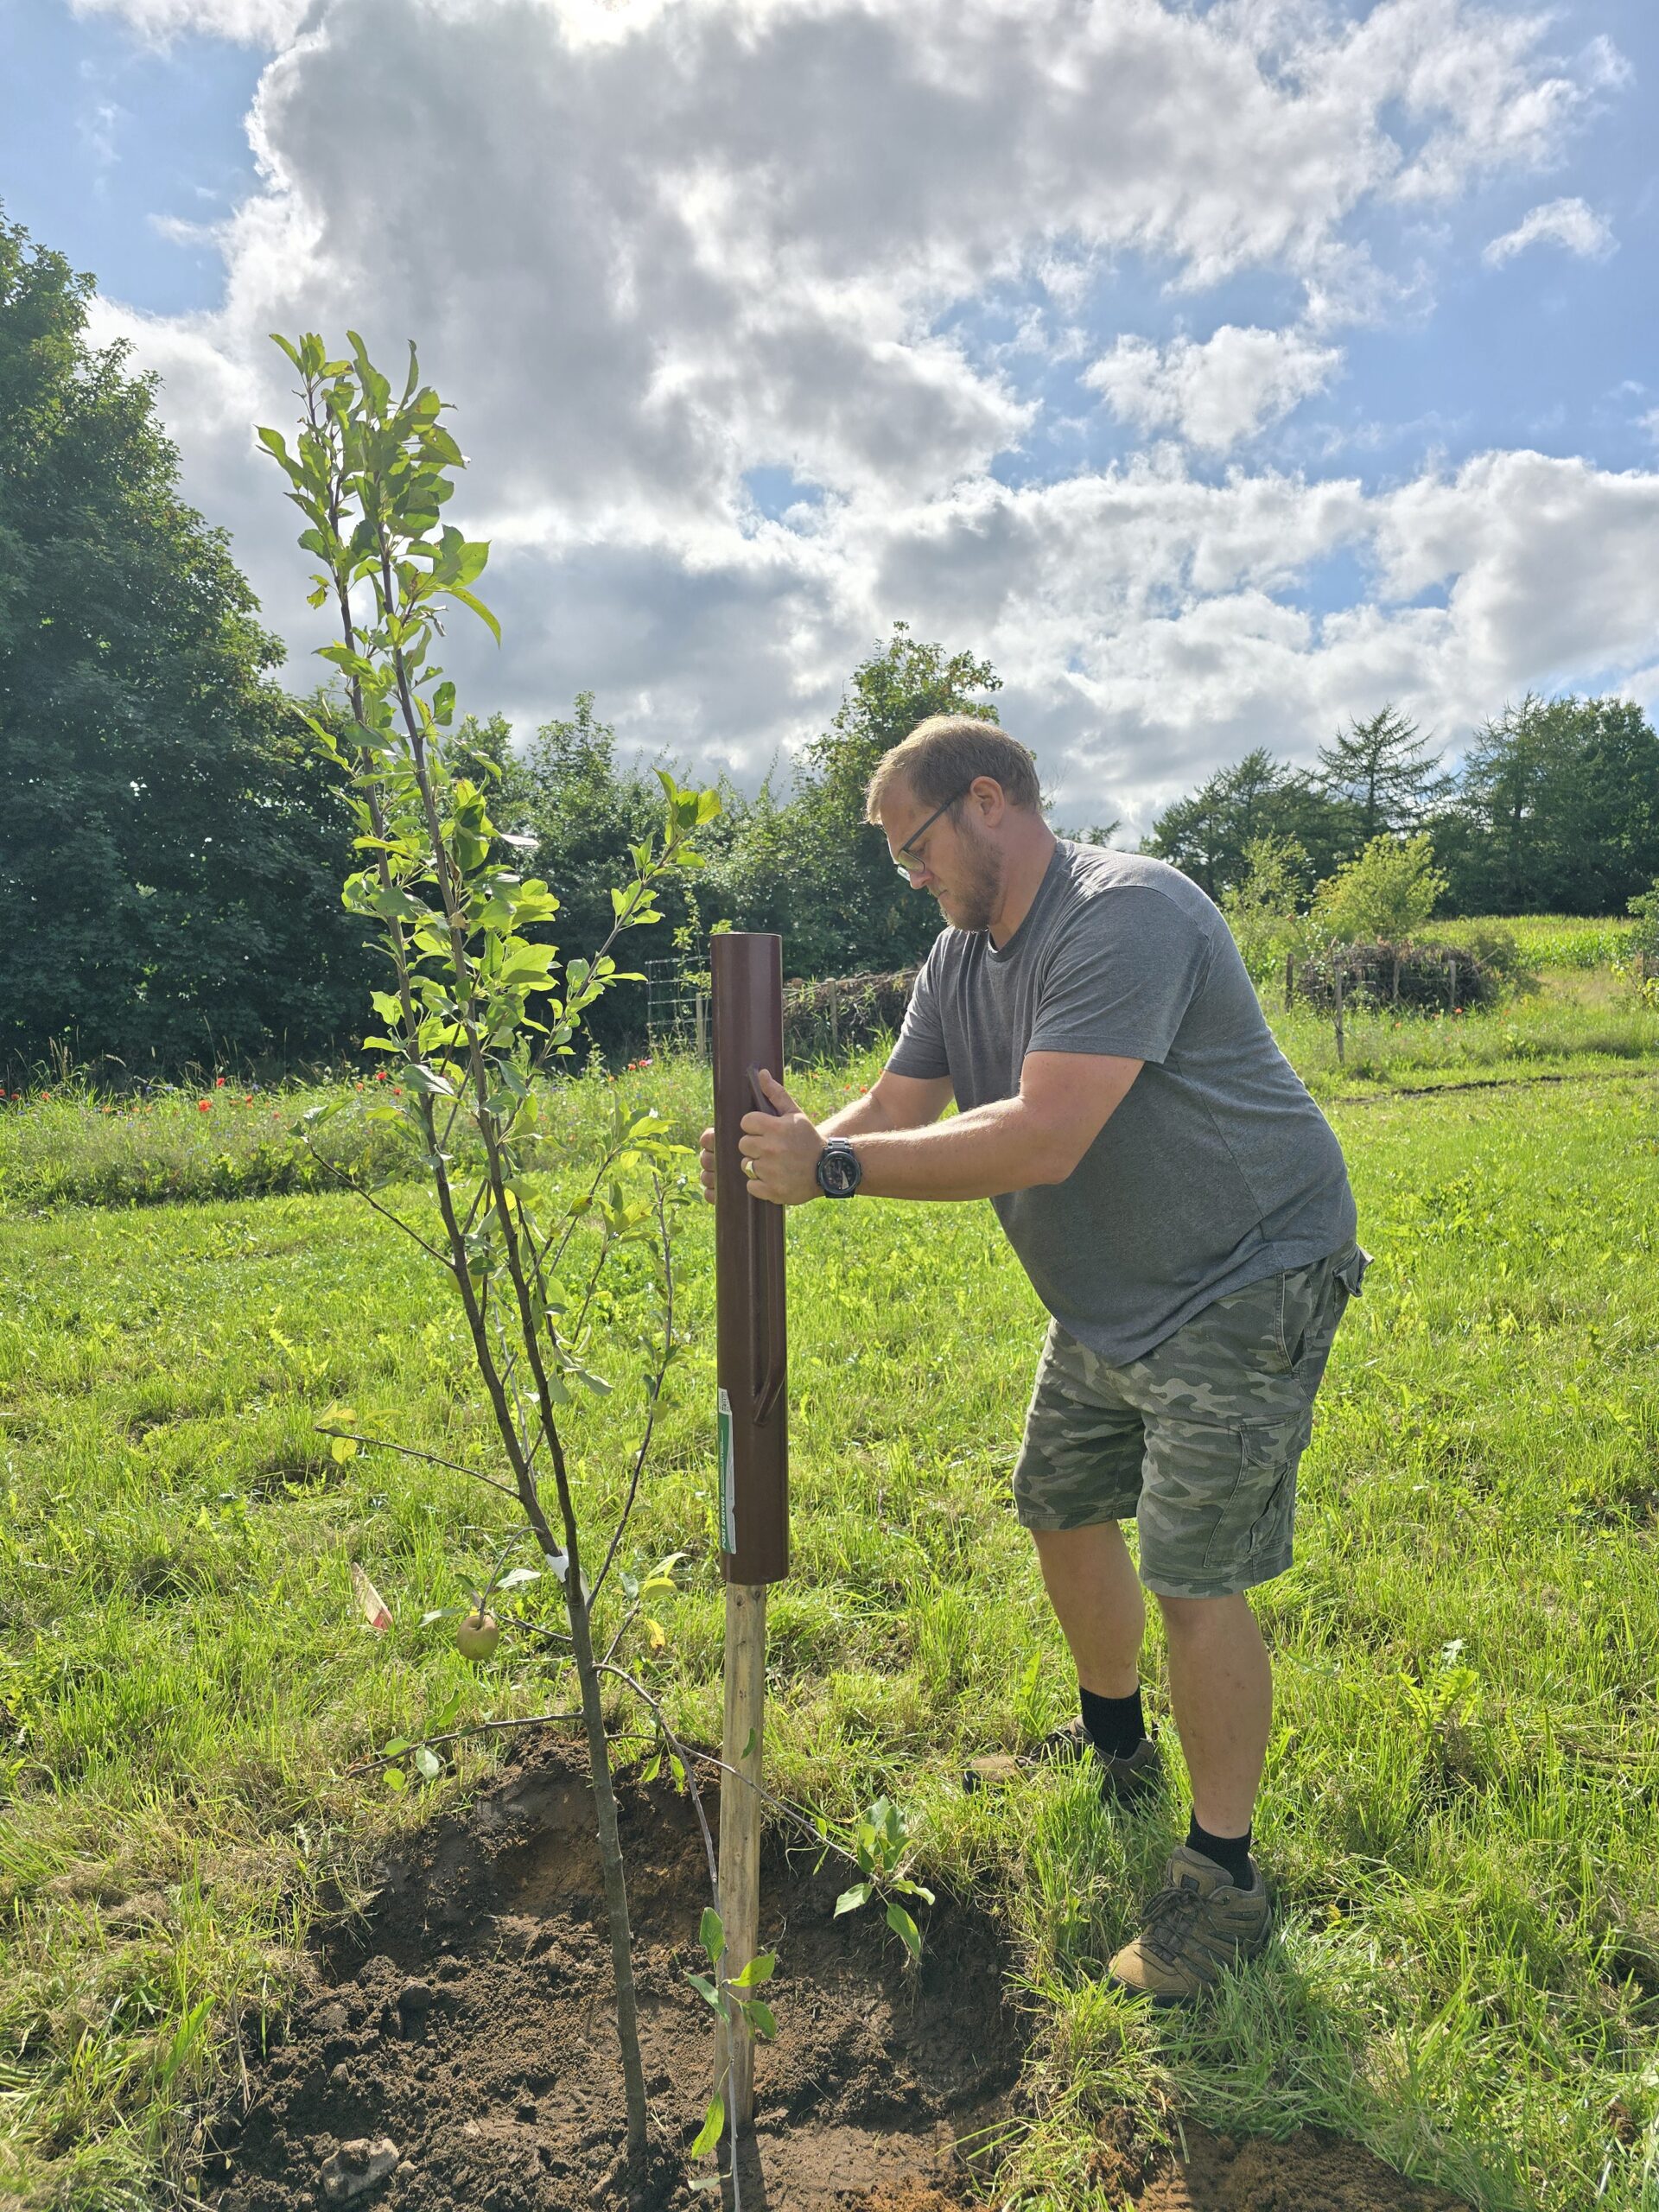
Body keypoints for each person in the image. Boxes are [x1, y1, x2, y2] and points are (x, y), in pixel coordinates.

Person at [698, 715, 1366, 2005]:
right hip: (1111, 1299)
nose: (913, 880)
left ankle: (1222, 1878)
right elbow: (899, 1108)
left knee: (1193, 1569)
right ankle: (1116, 1748)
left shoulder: (1129, 915)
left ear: (988, 801)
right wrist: (783, 1162)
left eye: (914, 850)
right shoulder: (958, 960)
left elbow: (1046, 1132)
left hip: (1247, 1270)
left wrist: (828, 1173)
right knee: (1058, 1504)